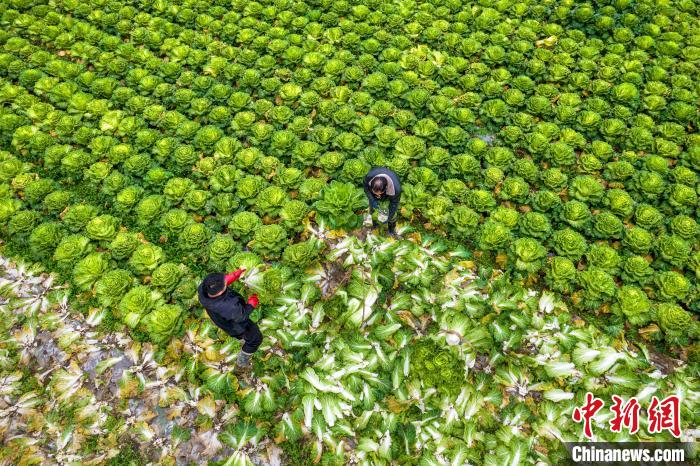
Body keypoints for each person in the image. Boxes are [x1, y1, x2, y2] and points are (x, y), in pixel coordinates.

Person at [197, 269, 261, 371]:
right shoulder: (228, 307)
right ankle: (241, 364)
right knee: (255, 339)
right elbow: (241, 317)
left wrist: (233, 276)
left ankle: (241, 342)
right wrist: (250, 305)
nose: (226, 280)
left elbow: (218, 284)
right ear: (221, 291)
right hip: (236, 325)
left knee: (230, 325)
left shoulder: (203, 289)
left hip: (219, 317)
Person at [363, 167, 402, 237]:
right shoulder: (369, 177)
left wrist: (388, 217)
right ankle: (375, 225)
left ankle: (391, 229)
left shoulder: (396, 189)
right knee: (373, 210)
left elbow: (394, 204)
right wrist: (373, 200)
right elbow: (366, 189)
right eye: (375, 192)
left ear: (386, 188)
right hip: (376, 192)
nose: (378, 195)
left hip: (389, 194)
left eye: (379, 193)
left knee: (391, 215)